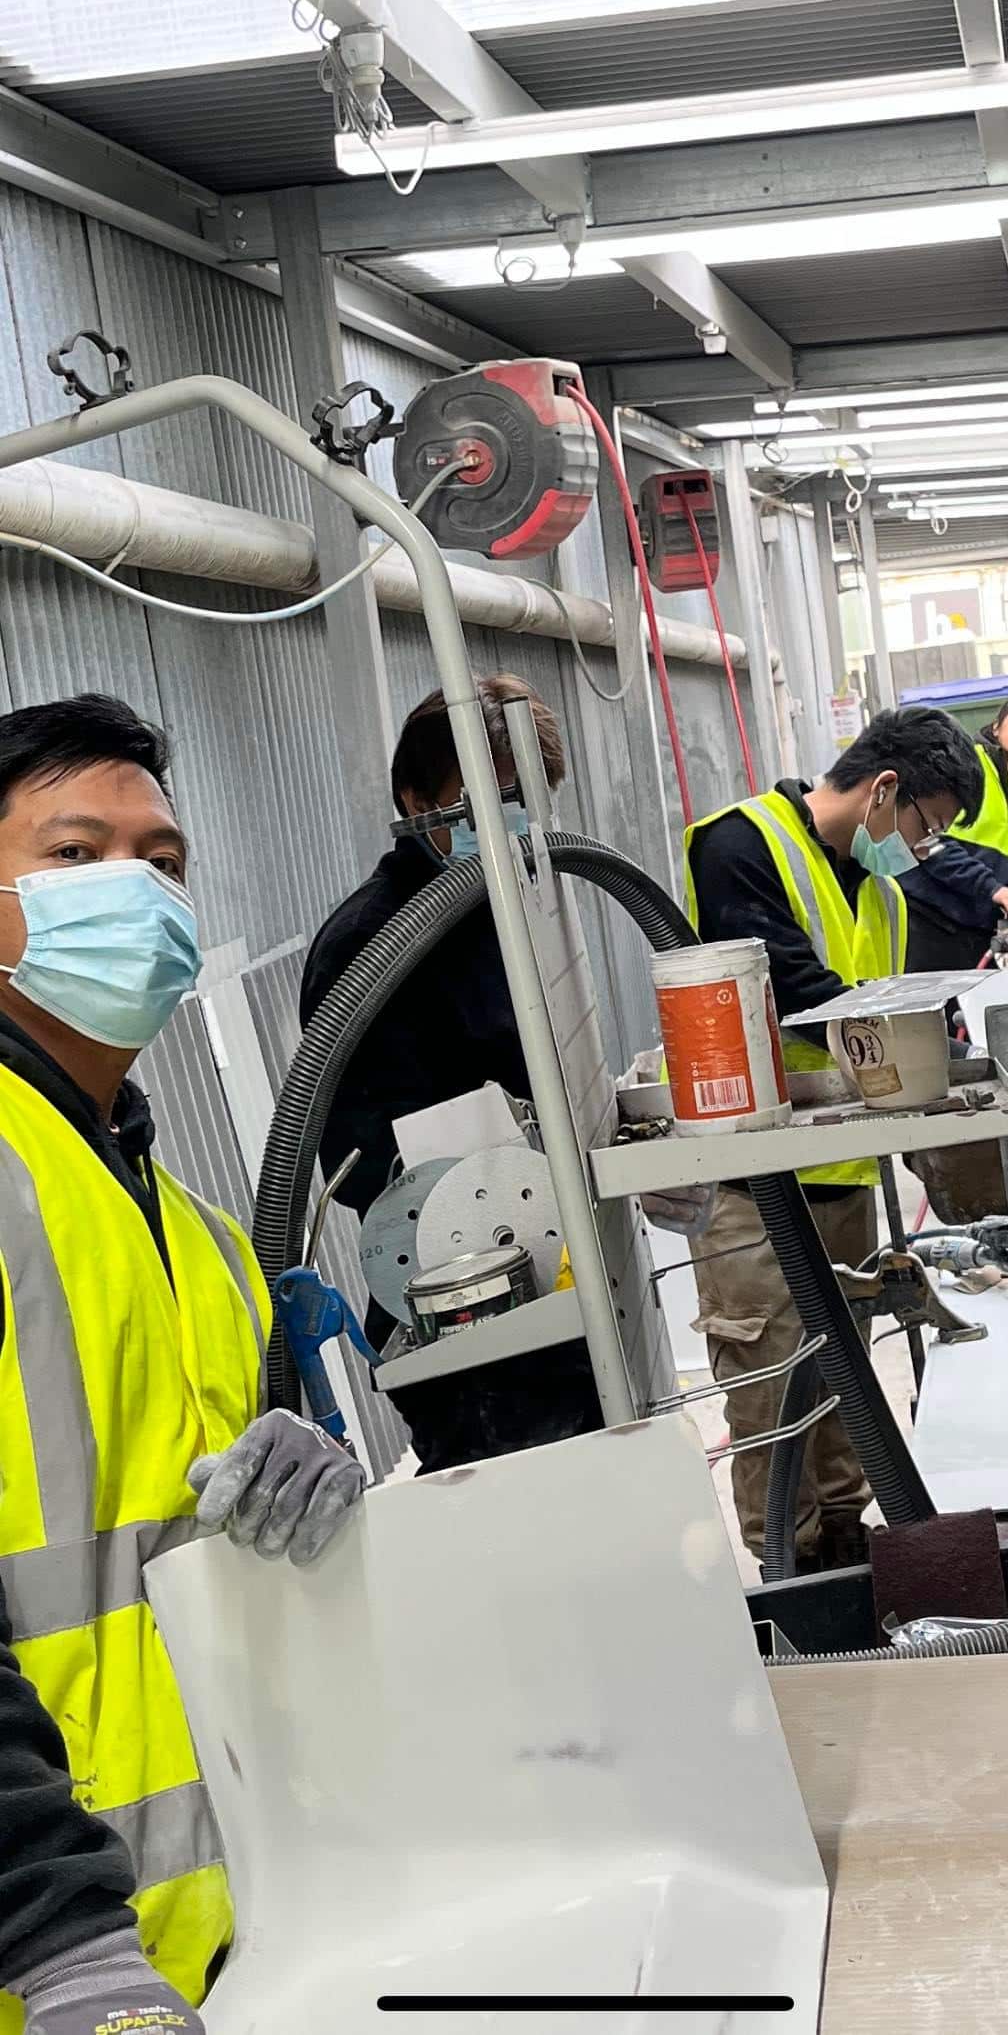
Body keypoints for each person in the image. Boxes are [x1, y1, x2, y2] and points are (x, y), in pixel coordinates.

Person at [0, 695, 366, 2035]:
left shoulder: (194, 1230)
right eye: (76, 854)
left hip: (207, 1939)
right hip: (50, 1968)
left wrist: (315, 1476)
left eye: (160, 863)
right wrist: (53, 1943)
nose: (136, 894)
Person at [683, 706, 983, 1574]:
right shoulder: (739, 845)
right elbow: (793, 986)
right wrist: (913, 1046)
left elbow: (883, 997)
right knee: (773, 1402)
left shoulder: (880, 890)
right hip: (752, 1187)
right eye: (926, 825)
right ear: (885, 789)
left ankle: (856, 1566)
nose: (921, 848)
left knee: (846, 1398)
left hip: (843, 1175)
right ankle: (794, 1583)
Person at [300, 674, 602, 1472]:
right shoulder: (372, 941)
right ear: (412, 798)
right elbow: (366, 1165)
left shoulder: (504, 901)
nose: (506, 820)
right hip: (467, 1312)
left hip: (553, 1270)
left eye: (524, 797)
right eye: (479, 800)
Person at [900, 691, 1008, 972]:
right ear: (996, 727)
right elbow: (928, 843)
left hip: (976, 932)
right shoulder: (967, 768)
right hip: (926, 918)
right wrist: (991, 889)